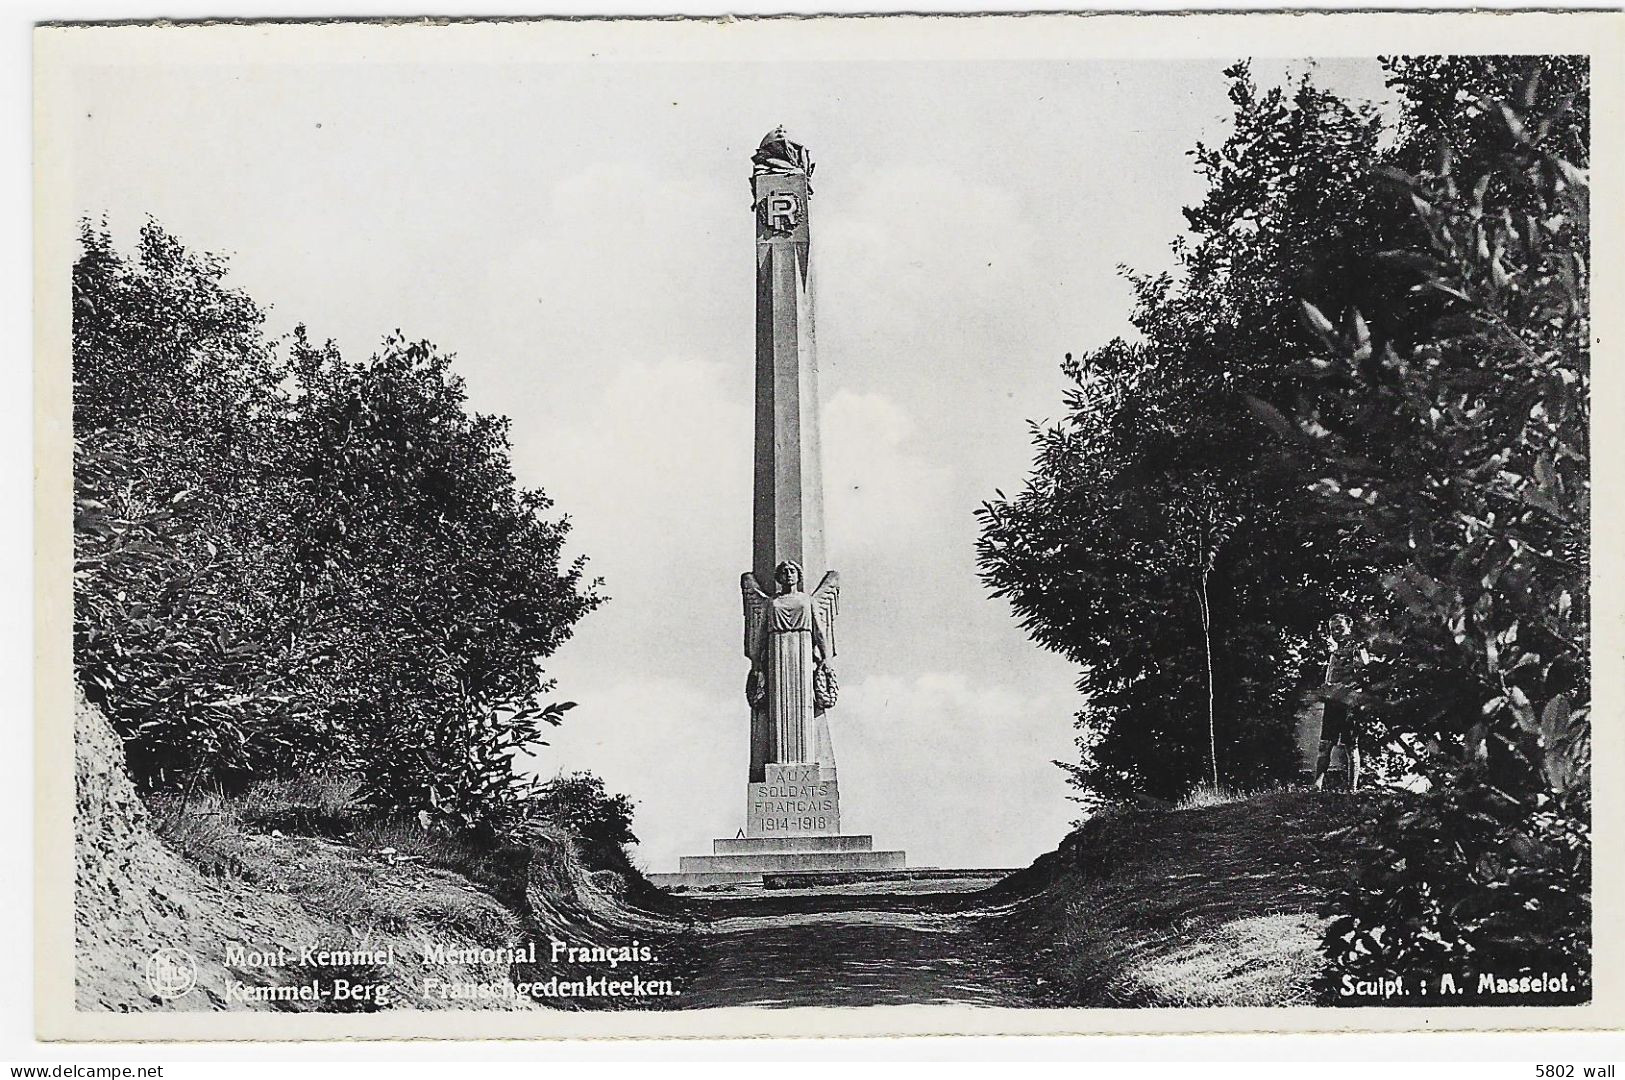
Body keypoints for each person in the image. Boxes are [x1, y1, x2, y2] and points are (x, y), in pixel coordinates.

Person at [1315, 614, 1360, 791]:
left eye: (1340, 628)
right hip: (1333, 703)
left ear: (1349, 628)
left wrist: (1344, 689)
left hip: (1349, 702)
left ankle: (1352, 788)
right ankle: (1316, 786)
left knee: (1351, 745)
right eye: (1333, 629)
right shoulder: (1335, 651)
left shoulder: (1356, 648)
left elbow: (1363, 673)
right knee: (1325, 744)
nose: (1336, 633)